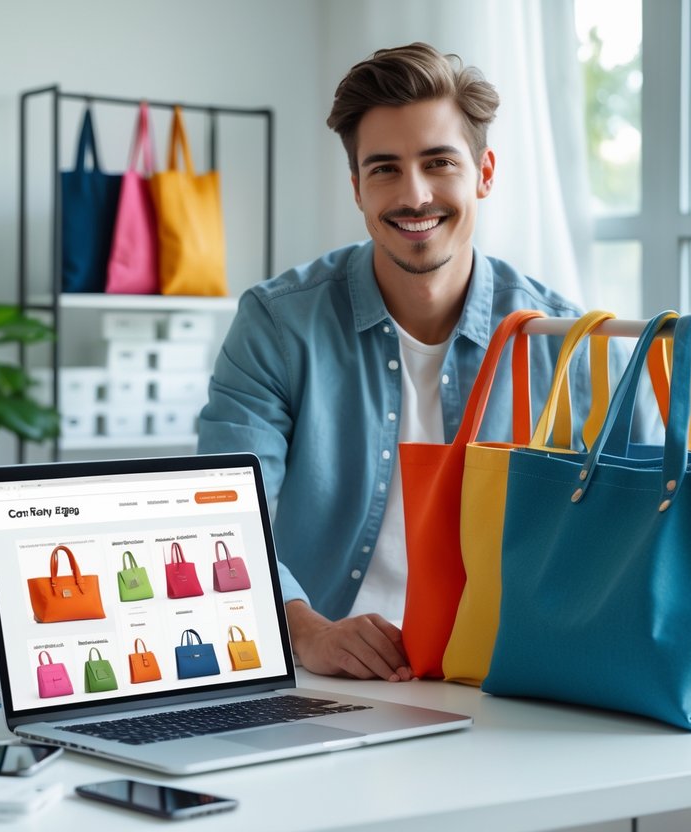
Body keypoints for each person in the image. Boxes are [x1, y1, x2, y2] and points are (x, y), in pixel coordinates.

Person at [198, 42, 615, 682]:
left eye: (439, 162)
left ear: (484, 172)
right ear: (358, 189)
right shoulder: (279, 324)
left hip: (515, 675)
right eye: (385, 169)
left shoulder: (566, 342)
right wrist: (304, 630)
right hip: (329, 677)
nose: (414, 195)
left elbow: (653, 513)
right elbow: (218, 510)